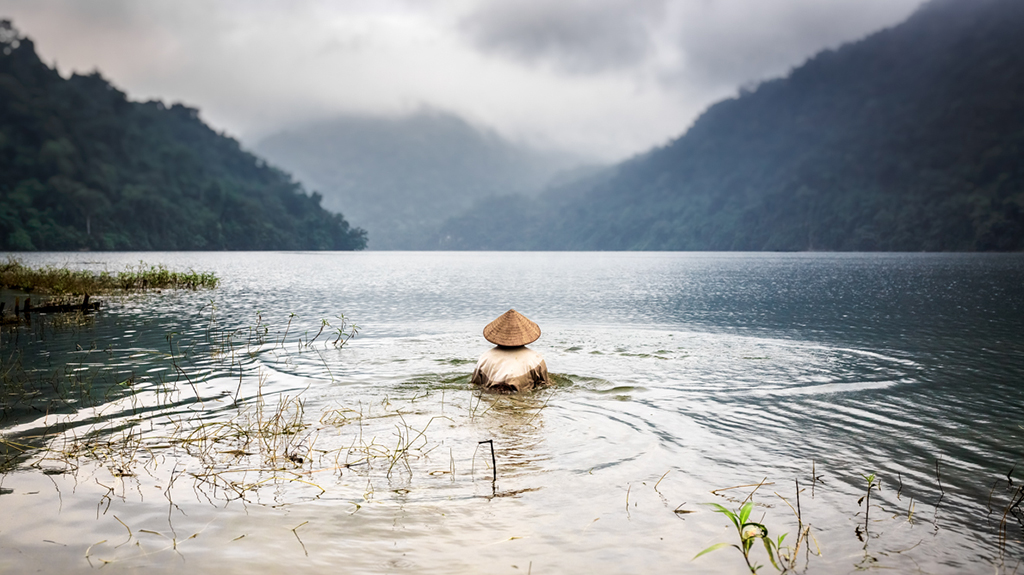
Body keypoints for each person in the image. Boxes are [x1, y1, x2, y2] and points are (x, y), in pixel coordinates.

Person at [470, 309, 550, 393]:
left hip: (492, 400)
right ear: (524, 335)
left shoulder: (485, 357)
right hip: (522, 402)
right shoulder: (536, 359)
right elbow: (544, 386)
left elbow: (475, 385)